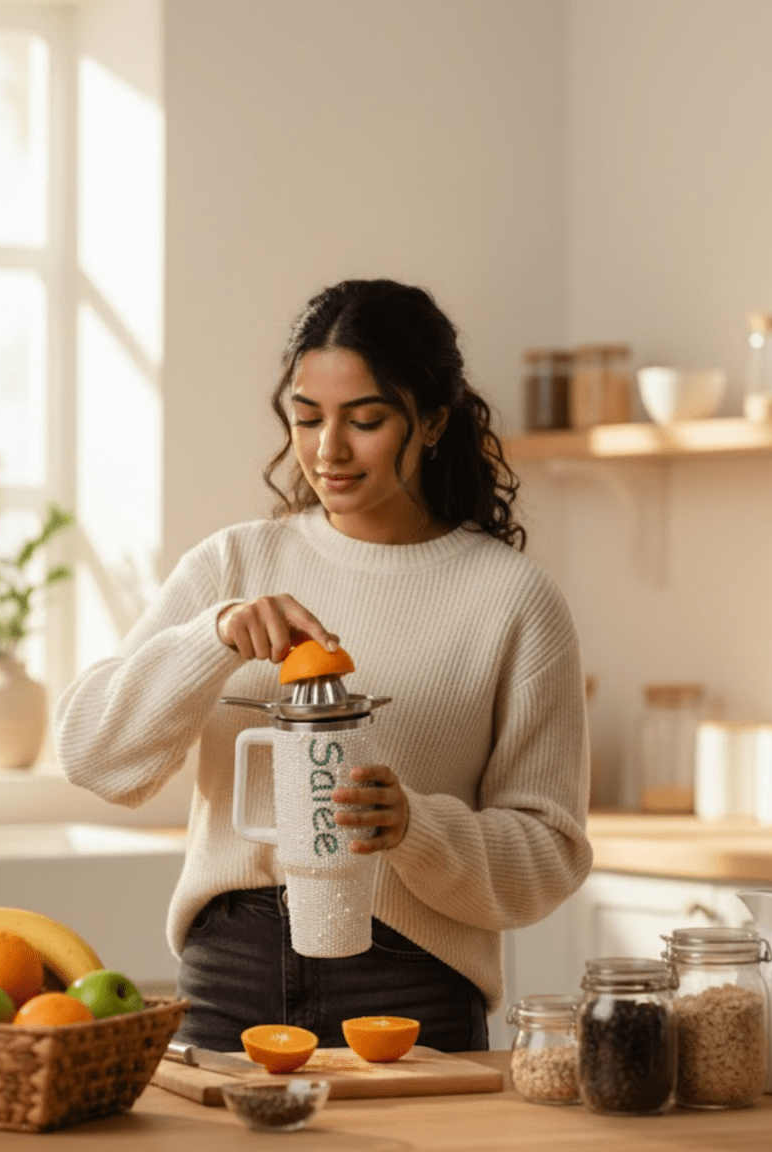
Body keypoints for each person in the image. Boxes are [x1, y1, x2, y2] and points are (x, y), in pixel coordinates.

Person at [54, 277, 592, 1053]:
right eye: (306, 418)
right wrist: (216, 638)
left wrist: (416, 828)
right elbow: (93, 757)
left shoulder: (513, 600)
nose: (327, 450)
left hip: (410, 983)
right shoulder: (235, 563)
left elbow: (551, 852)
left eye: (365, 421)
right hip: (229, 971)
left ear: (434, 420)